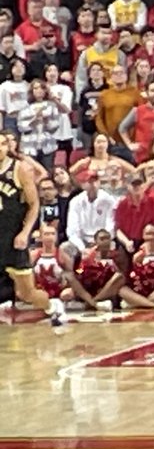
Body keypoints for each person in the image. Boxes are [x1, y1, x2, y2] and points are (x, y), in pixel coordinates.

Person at [0, 133, 64, 325]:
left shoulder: (19, 169)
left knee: (26, 293)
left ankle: (52, 307)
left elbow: (34, 204)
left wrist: (25, 232)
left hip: (12, 239)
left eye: (2, 144)